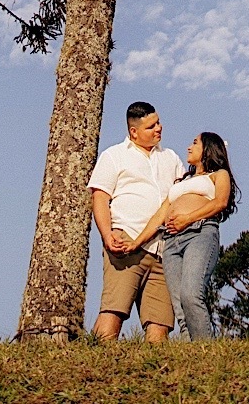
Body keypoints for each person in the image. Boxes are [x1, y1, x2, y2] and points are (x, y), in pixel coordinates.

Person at [87, 100, 184, 343]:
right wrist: (107, 234)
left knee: (160, 321)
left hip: (163, 249)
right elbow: (100, 198)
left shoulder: (171, 158)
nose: (159, 129)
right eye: (151, 126)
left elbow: (182, 195)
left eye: (159, 122)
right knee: (114, 308)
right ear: (134, 131)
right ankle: (95, 363)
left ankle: (153, 374)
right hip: (126, 241)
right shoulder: (114, 156)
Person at [127, 130, 238, 340]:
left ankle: (206, 350)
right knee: (179, 304)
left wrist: (188, 218)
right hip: (171, 241)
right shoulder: (180, 182)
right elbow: (160, 214)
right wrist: (136, 242)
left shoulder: (218, 175)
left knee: (191, 294)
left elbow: (220, 202)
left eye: (195, 143)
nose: (189, 147)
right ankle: (191, 354)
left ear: (208, 148)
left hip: (199, 233)